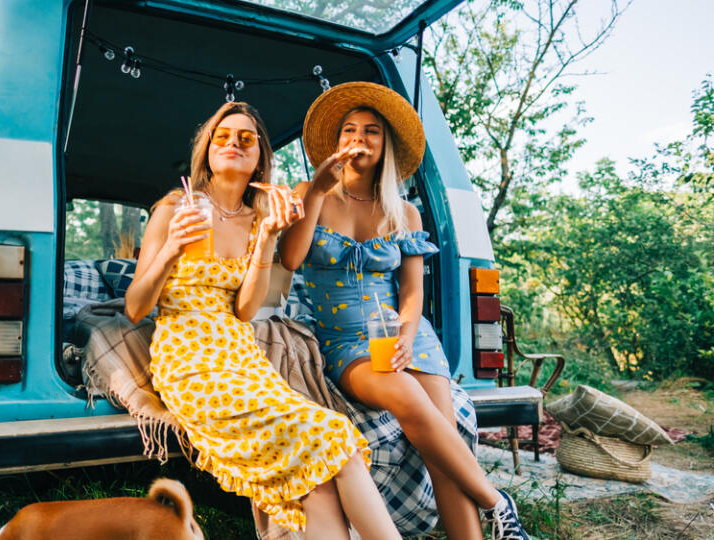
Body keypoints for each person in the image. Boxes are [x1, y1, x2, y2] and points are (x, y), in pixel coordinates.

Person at [123, 101, 401, 539]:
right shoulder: (175, 208)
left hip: (242, 357)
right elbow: (136, 307)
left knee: (323, 465)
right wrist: (172, 249)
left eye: (246, 139)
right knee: (332, 434)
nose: (233, 143)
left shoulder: (258, 219)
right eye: (223, 137)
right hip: (189, 360)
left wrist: (269, 238)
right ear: (208, 151)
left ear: (259, 158)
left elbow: (246, 310)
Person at [279, 82, 531, 540]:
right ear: (336, 143)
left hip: (406, 335)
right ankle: (498, 502)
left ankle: (486, 530)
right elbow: (291, 259)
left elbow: (412, 293)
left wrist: (406, 336)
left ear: (385, 145)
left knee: (443, 440)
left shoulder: (405, 214)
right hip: (344, 342)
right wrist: (315, 190)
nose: (359, 138)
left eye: (372, 131)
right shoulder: (310, 193)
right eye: (350, 130)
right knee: (411, 401)